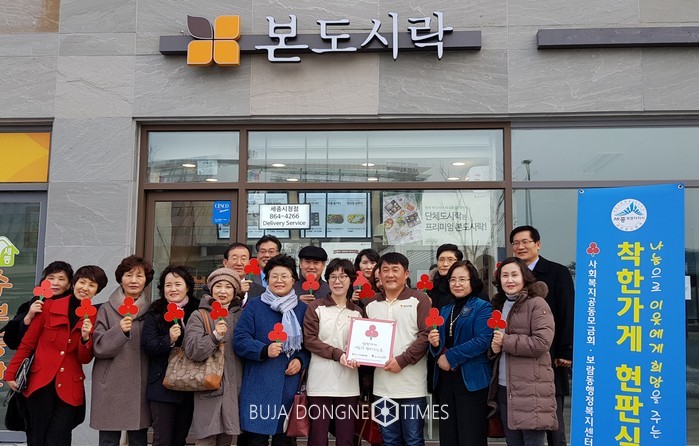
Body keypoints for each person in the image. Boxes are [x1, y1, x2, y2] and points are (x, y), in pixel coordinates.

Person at [5, 265, 107, 446]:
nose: (85, 288)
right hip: (40, 383)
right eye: (82, 282)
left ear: (97, 290)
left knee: (59, 438)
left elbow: (84, 359)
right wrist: (11, 373)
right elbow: (28, 343)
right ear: (74, 283)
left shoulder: (94, 316)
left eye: (92, 285)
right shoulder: (49, 306)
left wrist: (85, 338)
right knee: (37, 438)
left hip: (69, 387)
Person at [234, 254, 310, 445]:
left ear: (293, 280)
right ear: (267, 280)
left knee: (284, 439)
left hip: (288, 386)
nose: (279, 280)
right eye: (274, 276)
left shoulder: (302, 309)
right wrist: (263, 350)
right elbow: (240, 339)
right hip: (258, 384)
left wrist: (300, 360)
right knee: (255, 440)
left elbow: (309, 345)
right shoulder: (254, 305)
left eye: (284, 276)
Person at [510, 225, 574, 446]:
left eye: (525, 242)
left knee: (552, 418)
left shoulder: (557, 272)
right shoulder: (511, 275)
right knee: (526, 421)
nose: (520, 246)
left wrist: (565, 351)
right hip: (520, 358)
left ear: (538, 244)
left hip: (550, 354)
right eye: (516, 243)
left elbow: (567, 312)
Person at [364, 252, 431, 446]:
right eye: (385, 270)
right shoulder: (371, 304)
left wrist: (402, 360)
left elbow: (426, 335)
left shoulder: (419, 299)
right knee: (389, 440)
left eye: (395, 270)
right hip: (382, 387)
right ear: (379, 274)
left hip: (412, 387)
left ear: (406, 273)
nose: (390, 275)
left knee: (414, 440)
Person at [488, 257, 557, 446]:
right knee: (513, 442)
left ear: (524, 277)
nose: (509, 280)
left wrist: (505, 341)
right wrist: (494, 348)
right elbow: (497, 342)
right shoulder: (499, 305)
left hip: (531, 389)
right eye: (504, 275)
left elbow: (542, 343)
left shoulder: (537, 304)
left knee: (533, 442)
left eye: (514, 275)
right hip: (504, 387)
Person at [91, 255, 154, 446]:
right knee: (109, 440)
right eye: (128, 275)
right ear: (120, 278)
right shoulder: (106, 309)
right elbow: (99, 347)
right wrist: (119, 331)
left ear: (146, 280)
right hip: (111, 383)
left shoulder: (151, 311)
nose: (134, 280)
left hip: (141, 384)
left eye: (139, 276)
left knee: (138, 439)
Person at [428, 261, 492, 446]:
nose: (457, 284)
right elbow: (441, 344)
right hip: (446, 381)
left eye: (463, 279)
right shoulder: (445, 309)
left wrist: (450, 357)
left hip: (471, 380)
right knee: (448, 435)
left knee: (471, 436)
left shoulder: (482, 307)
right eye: (453, 280)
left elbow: (482, 341)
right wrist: (434, 344)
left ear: (473, 281)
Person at [303, 259, 365, 446]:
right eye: (333, 277)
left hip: (348, 381)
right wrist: (339, 354)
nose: (338, 281)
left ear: (351, 280)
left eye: (343, 276)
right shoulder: (316, 307)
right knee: (318, 436)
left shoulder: (358, 312)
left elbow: (364, 344)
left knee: (346, 437)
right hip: (320, 381)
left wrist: (362, 357)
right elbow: (310, 340)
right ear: (327, 280)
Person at [184, 267, 244, 446]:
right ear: (211, 289)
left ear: (235, 291)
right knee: (206, 439)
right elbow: (192, 350)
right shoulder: (199, 315)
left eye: (228, 286)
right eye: (218, 286)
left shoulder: (241, 316)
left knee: (227, 439)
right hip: (209, 387)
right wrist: (215, 336)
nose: (223, 291)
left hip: (234, 389)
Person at [141, 266, 200, 446]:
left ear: (187, 286)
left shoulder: (198, 309)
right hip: (162, 385)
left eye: (177, 284)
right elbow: (148, 346)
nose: (173, 289)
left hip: (190, 384)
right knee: (162, 439)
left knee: (180, 438)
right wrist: (169, 339)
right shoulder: (155, 311)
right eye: (168, 285)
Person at [3, 261, 74, 350]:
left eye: (61, 279)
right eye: (51, 278)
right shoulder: (29, 306)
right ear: (43, 281)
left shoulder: (74, 307)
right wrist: (28, 317)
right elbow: (13, 343)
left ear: (69, 285)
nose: (55, 283)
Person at [223, 242, 266, 307]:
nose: (239, 263)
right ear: (225, 263)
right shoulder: (214, 288)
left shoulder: (261, 291)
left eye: (243, 259)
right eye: (234, 258)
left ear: (249, 263)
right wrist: (237, 292)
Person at [427, 244, 463, 310]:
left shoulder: (469, 287)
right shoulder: (430, 287)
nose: (445, 264)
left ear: (458, 263)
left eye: (450, 260)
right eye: (441, 259)